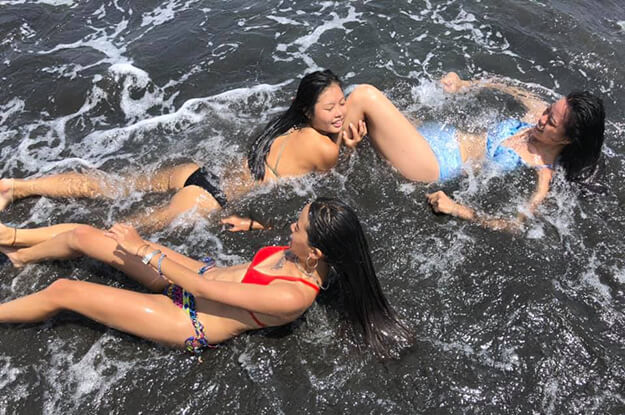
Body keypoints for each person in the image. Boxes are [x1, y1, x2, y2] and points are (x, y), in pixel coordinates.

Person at [0, 198, 407, 356]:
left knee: (64, 291)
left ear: (315, 252)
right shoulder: (316, 254)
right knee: (85, 236)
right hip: (197, 272)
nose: (290, 227)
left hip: (187, 317)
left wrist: (143, 249)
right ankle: (19, 252)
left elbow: (201, 290)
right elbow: (205, 277)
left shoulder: (293, 296)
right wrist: (253, 224)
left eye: (297, 228)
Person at [0, 70, 367, 231]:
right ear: (308, 110)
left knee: (108, 185)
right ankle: (34, 242)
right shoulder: (324, 147)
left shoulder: (286, 124)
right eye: (330, 107)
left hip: (197, 171)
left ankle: (17, 186)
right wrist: (348, 148)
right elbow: (333, 175)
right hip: (209, 199)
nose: (340, 112)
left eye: (342, 103)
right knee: (118, 230)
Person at [341, 72, 605, 231]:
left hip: (434, 163)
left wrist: (458, 209)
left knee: (364, 96)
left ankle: (330, 162)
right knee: (349, 103)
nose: (542, 118)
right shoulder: (538, 114)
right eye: (548, 110)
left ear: (567, 139)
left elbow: (515, 225)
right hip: (437, 134)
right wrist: (464, 84)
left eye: (551, 122)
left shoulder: (542, 175)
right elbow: (506, 85)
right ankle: (337, 153)